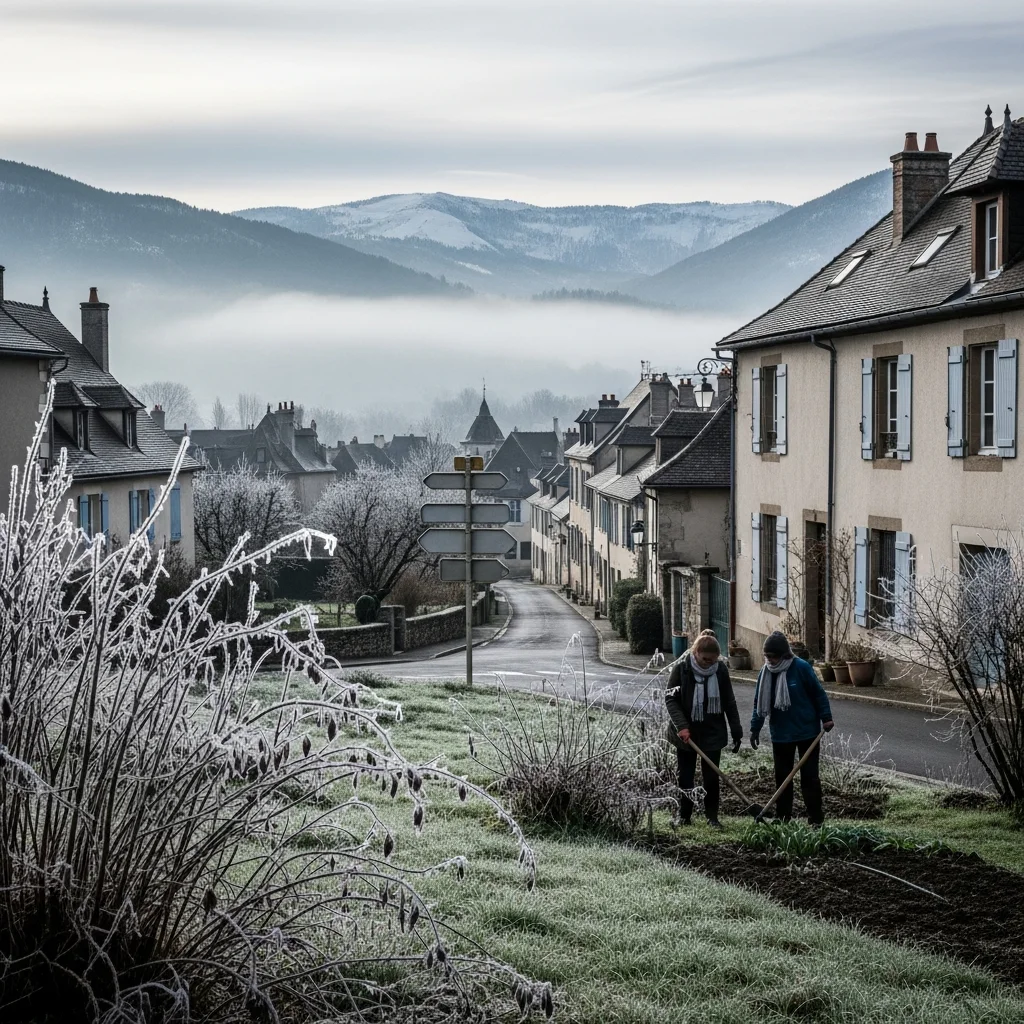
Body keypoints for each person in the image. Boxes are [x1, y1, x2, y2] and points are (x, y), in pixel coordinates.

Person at [750, 631, 835, 825]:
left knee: (810, 778)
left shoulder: (801, 668)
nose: (769, 660)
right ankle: (783, 817)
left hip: (807, 732)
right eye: (767, 656)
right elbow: (759, 703)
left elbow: (818, 694)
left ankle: (815, 819)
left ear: (784, 655)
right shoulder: (765, 673)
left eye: (772, 656)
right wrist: (755, 728)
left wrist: (826, 717)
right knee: (783, 778)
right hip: (781, 734)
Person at [665, 629, 742, 828]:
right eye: (706, 659)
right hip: (686, 734)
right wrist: (682, 726)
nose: (710, 663)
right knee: (686, 776)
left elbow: (729, 701)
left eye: (713, 660)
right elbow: (671, 699)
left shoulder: (721, 670)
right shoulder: (682, 669)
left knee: (711, 777)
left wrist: (736, 729)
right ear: (696, 652)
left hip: (712, 731)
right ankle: (684, 816)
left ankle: (712, 817)